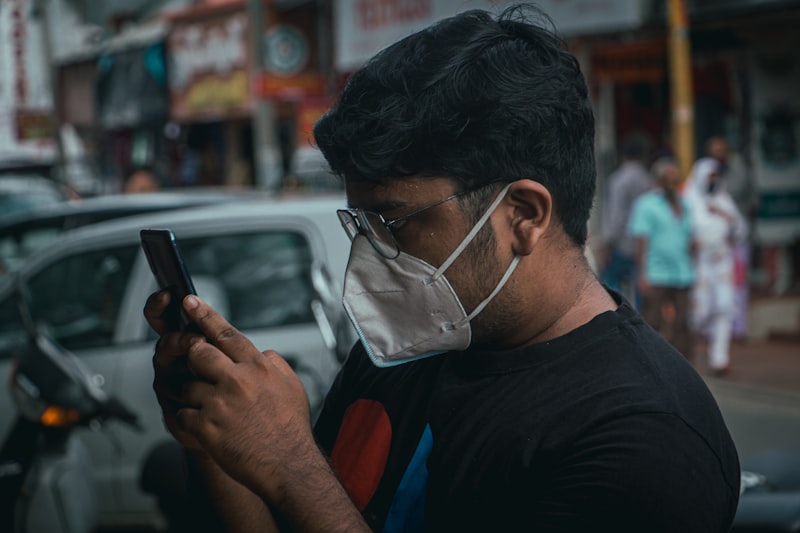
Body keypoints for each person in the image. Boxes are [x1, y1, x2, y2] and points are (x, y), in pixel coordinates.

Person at [144, 6, 740, 532]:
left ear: (523, 215)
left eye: (395, 222)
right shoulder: (411, 343)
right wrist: (217, 438)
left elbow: (307, 495)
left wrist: (294, 466)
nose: (374, 255)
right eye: (362, 227)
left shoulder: (643, 440)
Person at [628, 157, 696, 361]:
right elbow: (641, 241)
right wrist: (642, 274)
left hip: (682, 272)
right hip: (656, 271)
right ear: (659, 180)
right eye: (670, 179)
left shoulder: (684, 204)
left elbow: (688, 236)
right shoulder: (646, 205)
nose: (674, 185)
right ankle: (651, 362)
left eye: (677, 180)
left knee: (683, 323)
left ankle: (683, 364)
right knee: (653, 321)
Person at [685, 157, 748, 375]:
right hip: (699, 263)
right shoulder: (689, 200)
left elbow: (740, 231)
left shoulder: (723, 199)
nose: (712, 181)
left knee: (724, 308)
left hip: (722, 261)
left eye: (715, 177)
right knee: (700, 311)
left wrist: (725, 215)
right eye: (709, 177)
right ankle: (687, 353)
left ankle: (719, 359)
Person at [706, 135, 754, 339]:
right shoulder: (705, 172)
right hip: (713, 242)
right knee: (712, 286)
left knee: (739, 282)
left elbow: (750, 200)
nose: (717, 155)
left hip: (736, 238)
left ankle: (738, 328)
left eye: (720, 151)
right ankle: (711, 330)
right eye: (713, 151)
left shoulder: (739, 170)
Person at [599, 132, 654, 309]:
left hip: (621, 242)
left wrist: (607, 242)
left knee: (611, 289)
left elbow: (616, 214)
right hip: (643, 244)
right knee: (638, 290)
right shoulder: (647, 179)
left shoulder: (619, 179)